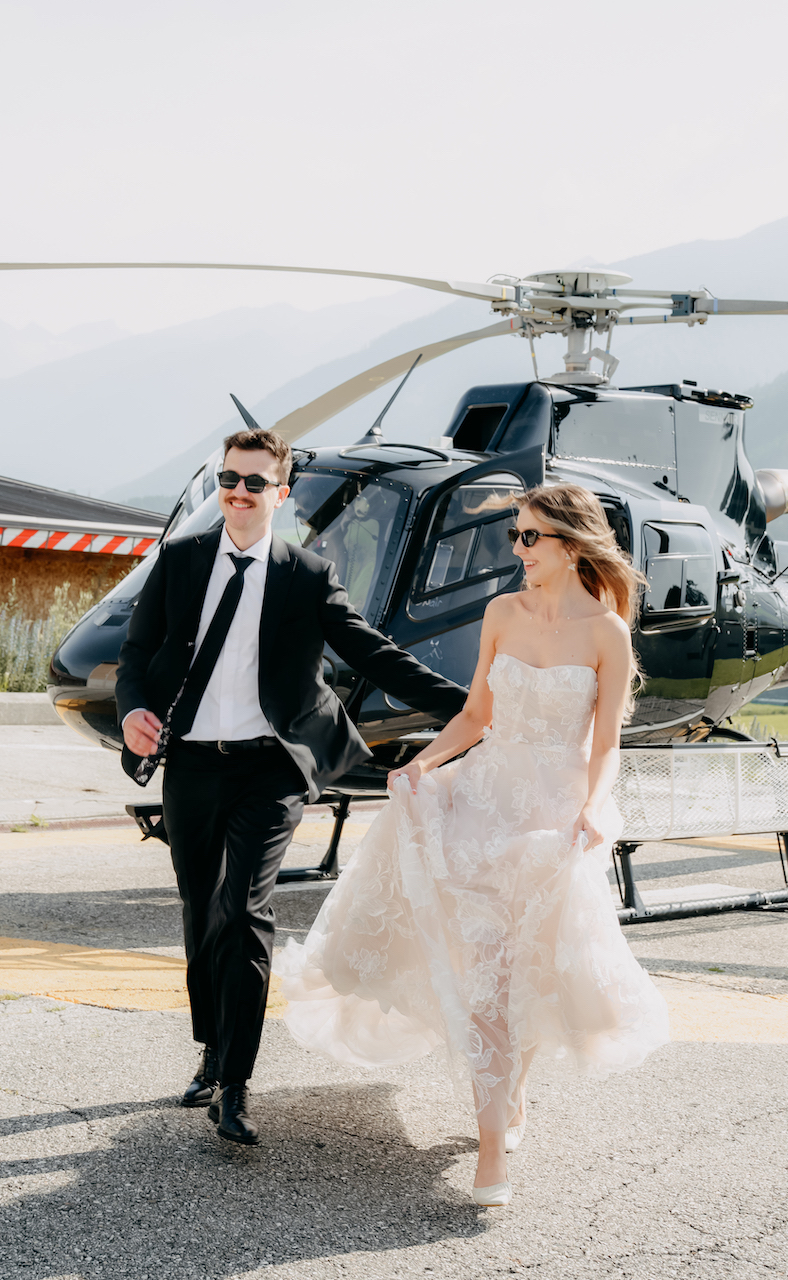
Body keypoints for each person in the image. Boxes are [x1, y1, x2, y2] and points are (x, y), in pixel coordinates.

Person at [275, 483, 670, 1206]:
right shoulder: (501, 613)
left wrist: (594, 804)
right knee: (487, 978)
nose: (515, 550)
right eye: (514, 536)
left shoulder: (606, 633)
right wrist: (424, 763)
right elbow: (477, 715)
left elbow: (606, 743)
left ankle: (512, 1088)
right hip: (482, 806)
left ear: (570, 545)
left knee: (524, 976)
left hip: (551, 819)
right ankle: (492, 1150)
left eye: (528, 538)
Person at [116, 428, 468, 1146]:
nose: (237, 494)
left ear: (282, 493)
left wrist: (471, 706)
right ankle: (212, 1048)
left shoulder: (306, 575)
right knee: (201, 911)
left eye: (253, 483)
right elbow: (135, 650)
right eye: (227, 481)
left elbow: (373, 650)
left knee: (244, 909)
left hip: (269, 767)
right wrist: (130, 712)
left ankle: (237, 1087)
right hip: (192, 763)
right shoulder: (182, 560)